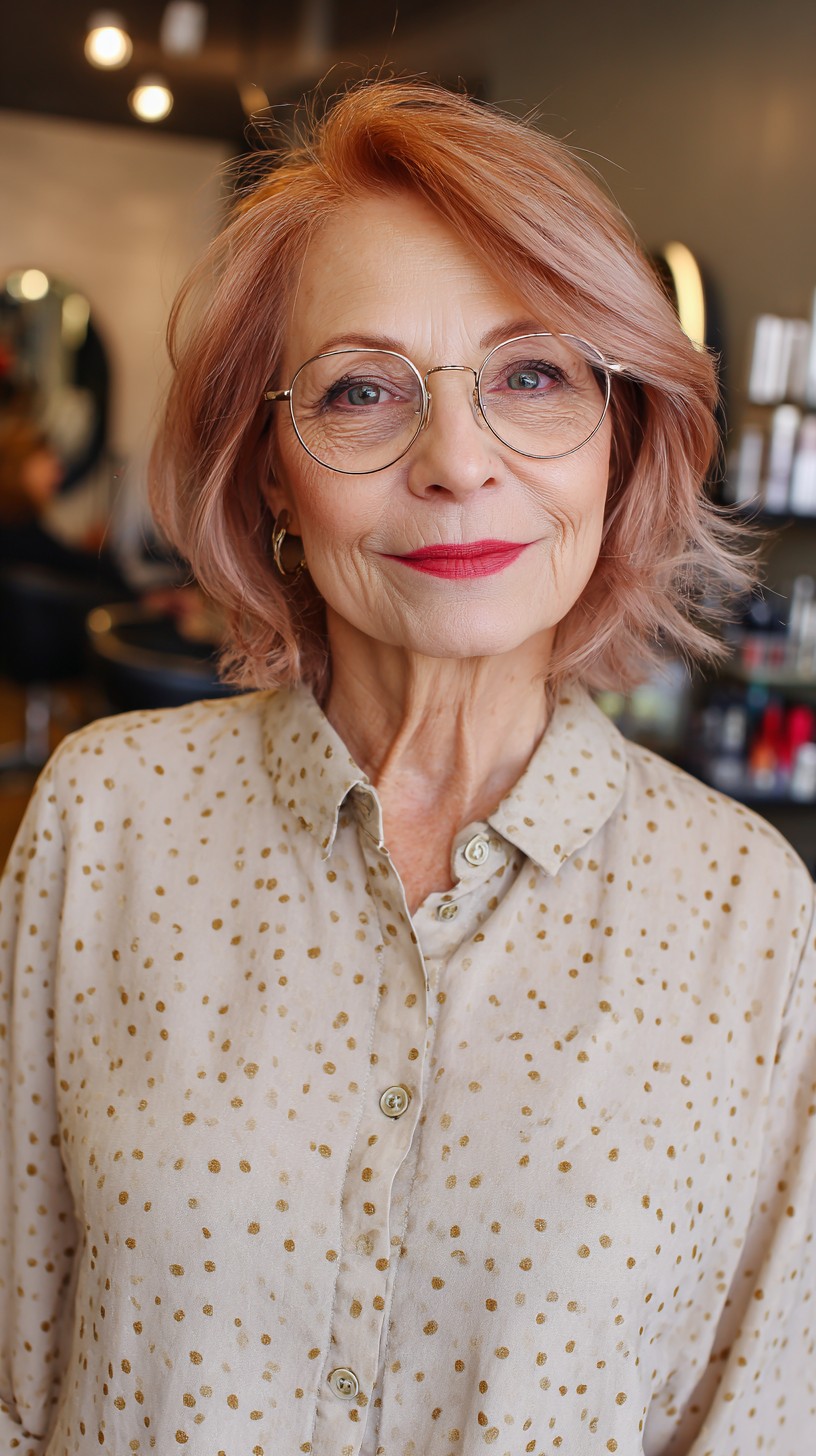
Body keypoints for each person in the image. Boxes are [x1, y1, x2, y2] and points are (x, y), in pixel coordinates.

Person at [1, 78, 814, 1456]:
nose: (455, 460)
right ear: (270, 471)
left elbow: (755, 1419)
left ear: (619, 440)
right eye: (363, 391)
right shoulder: (109, 817)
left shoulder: (747, 911)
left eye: (534, 376)